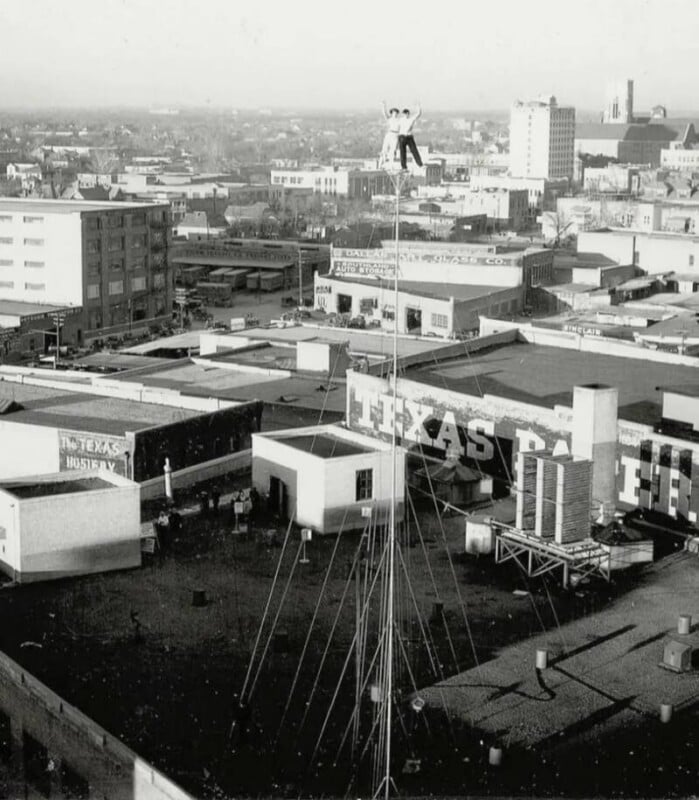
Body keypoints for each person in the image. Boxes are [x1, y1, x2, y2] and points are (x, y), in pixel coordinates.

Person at [398, 105, 423, 170]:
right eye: (404, 114)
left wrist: (418, 107)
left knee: (414, 150)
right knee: (402, 152)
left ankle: (420, 164)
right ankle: (404, 167)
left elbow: (418, 114)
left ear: (408, 114)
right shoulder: (400, 120)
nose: (405, 115)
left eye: (407, 114)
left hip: (409, 137)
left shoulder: (411, 119)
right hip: (402, 136)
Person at [379, 101, 401, 167]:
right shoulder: (390, 119)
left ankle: (390, 164)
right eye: (393, 113)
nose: (395, 114)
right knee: (384, 149)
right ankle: (381, 163)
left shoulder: (399, 120)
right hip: (390, 134)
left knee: (393, 150)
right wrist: (384, 106)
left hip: (396, 135)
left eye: (396, 113)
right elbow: (384, 114)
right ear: (392, 113)